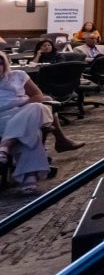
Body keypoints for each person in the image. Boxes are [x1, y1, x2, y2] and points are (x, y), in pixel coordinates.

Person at [0, 53, 83, 194]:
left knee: (38, 107)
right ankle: (29, 175)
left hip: (25, 111)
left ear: (5, 64)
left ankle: (5, 146)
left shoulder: (18, 75)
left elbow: (38, 95)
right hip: (3, 118)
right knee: (32, 130)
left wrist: (22, 105)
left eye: (0, 63)